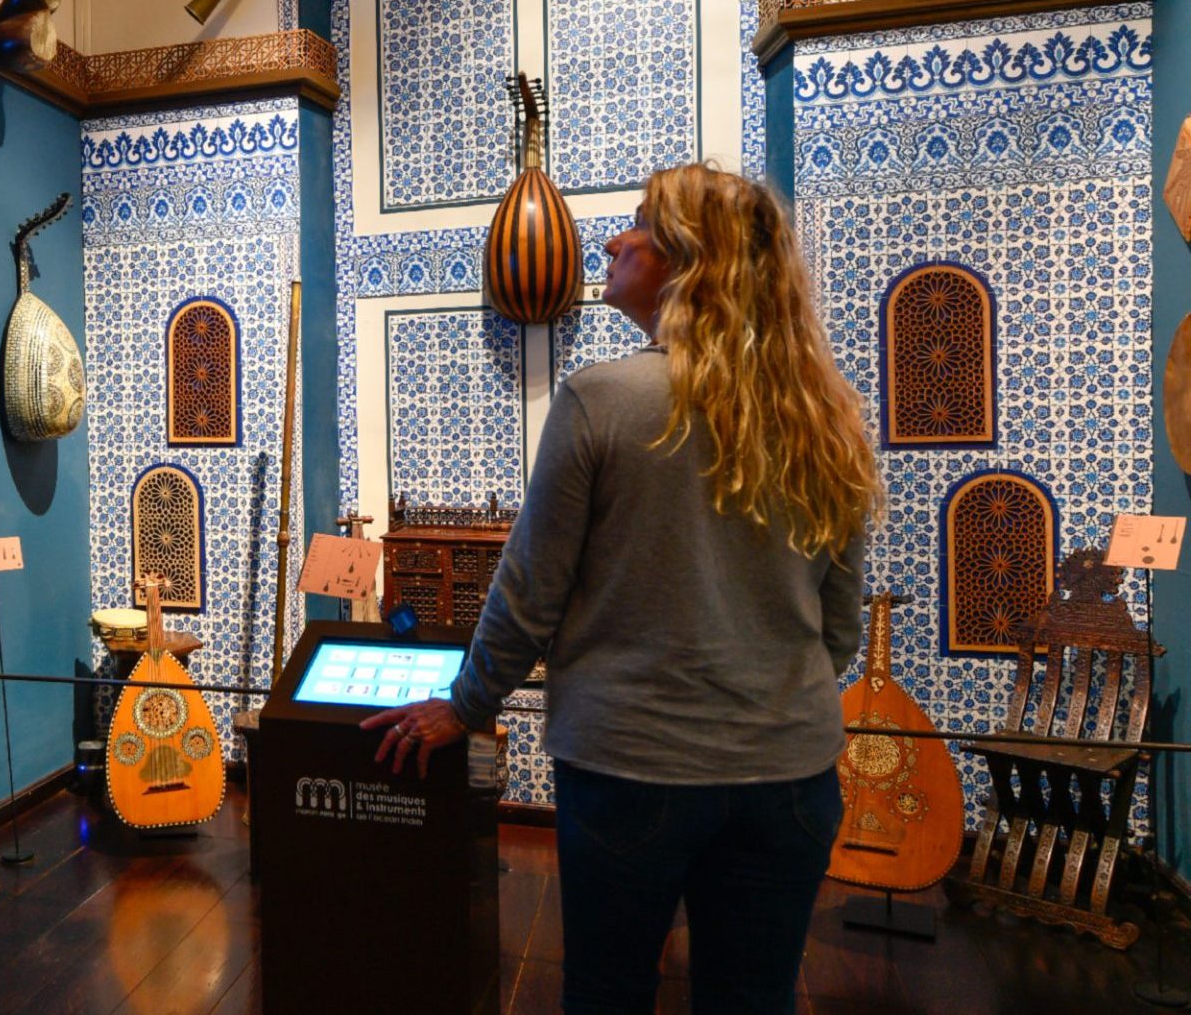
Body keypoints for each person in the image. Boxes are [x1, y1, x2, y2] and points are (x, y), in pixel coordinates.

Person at [361, 163, 881, 1014]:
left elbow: (530, 592)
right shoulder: (825, 413)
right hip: (788, 775)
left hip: (630, 769)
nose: (612, 238)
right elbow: (838, 633)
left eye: (637, 223)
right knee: (753, 998)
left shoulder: (602, 400)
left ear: (687, 260)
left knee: (608, 993)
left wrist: (465, 705)